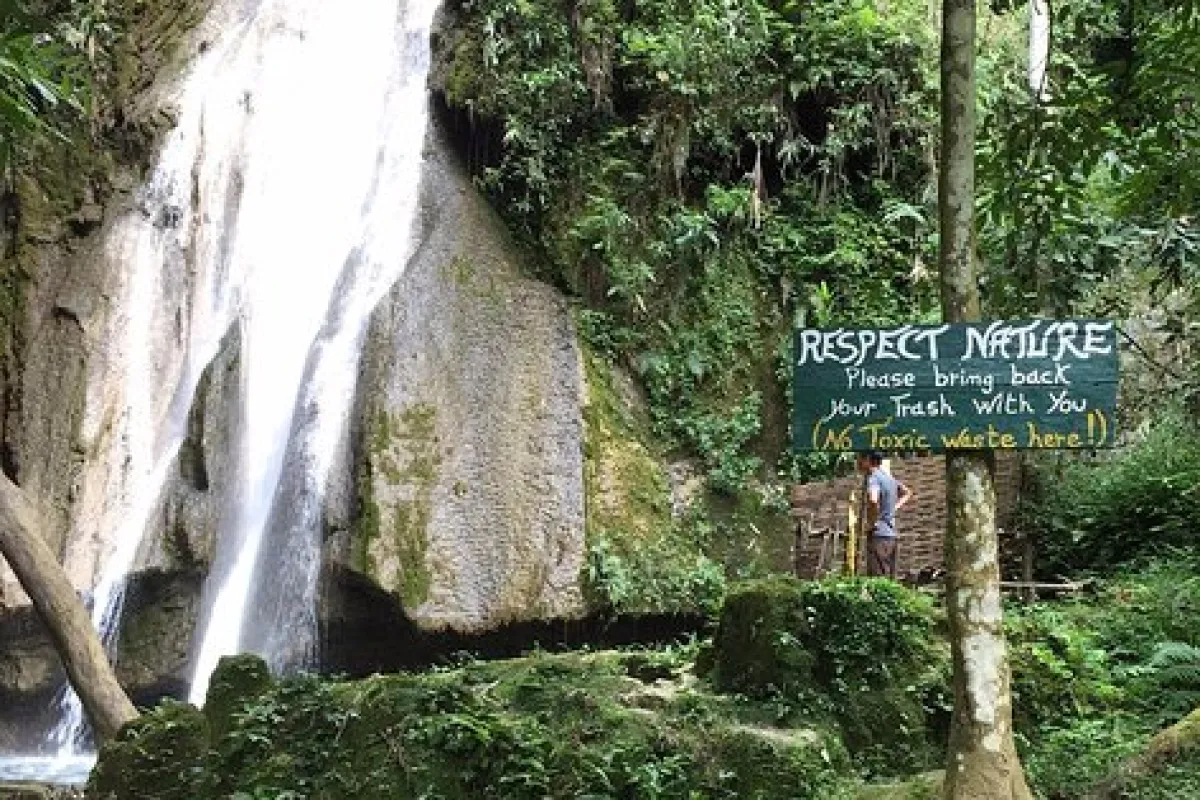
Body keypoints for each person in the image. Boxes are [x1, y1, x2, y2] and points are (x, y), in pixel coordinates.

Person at [856, 451, 913, 579]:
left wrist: (871, 523)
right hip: (891, 537)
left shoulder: (874, 478)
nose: (857, 462)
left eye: (859, 458)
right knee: (888, 582)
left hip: (879, 537)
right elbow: (908, 493)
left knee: (877, 582)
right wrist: (894, 508)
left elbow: (873, 500)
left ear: (868, 460)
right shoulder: (890, 479)